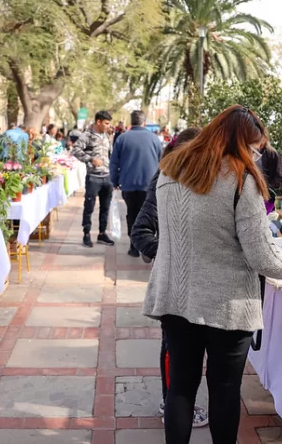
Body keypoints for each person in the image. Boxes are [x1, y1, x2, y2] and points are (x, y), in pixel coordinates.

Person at [142, 105, 282, 444]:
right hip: (227, 304)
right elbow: (263, 256)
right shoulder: (241, 178)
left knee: (181, 386)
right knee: (224, 389)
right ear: (240, 143)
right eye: (254, 147)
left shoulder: (171, 169)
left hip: (175, 297)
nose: (257, 154)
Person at [130, 127, 208, 428]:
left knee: (190, 351)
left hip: (202, 283)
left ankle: (180, 401)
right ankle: (169, 402)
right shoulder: (163, 178)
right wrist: (168, 255)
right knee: (172, 347)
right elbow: (140, 231)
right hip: (173, 284)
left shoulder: (211, 181)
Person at [109, 110, 162, 257]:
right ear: (144, 123)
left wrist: (114, 181)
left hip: (129, 184)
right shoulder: (155, 139)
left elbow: (114, 162)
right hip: (149, 185)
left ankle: (134, 247)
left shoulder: (122, 139)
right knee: (149, 215)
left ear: (131, 122)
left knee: (132, 214)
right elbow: (162, 161)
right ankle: (147, 245)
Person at [72, 111, 116, 248]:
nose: (109, 126)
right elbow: (75, 150)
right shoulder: (87, 135)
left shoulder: (106, 135)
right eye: (106, 123)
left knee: (105, 207)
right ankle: (86, 234)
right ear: (98, 122)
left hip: (107, 177)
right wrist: (91, 159)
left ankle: (102, 234)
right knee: (89, 207)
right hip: (93, 178)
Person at [257, 140, 282, 214]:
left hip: (267, 196)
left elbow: (279, 176)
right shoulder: (248, 152)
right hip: (253, 194)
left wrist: (267, 190)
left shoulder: (272, 154)